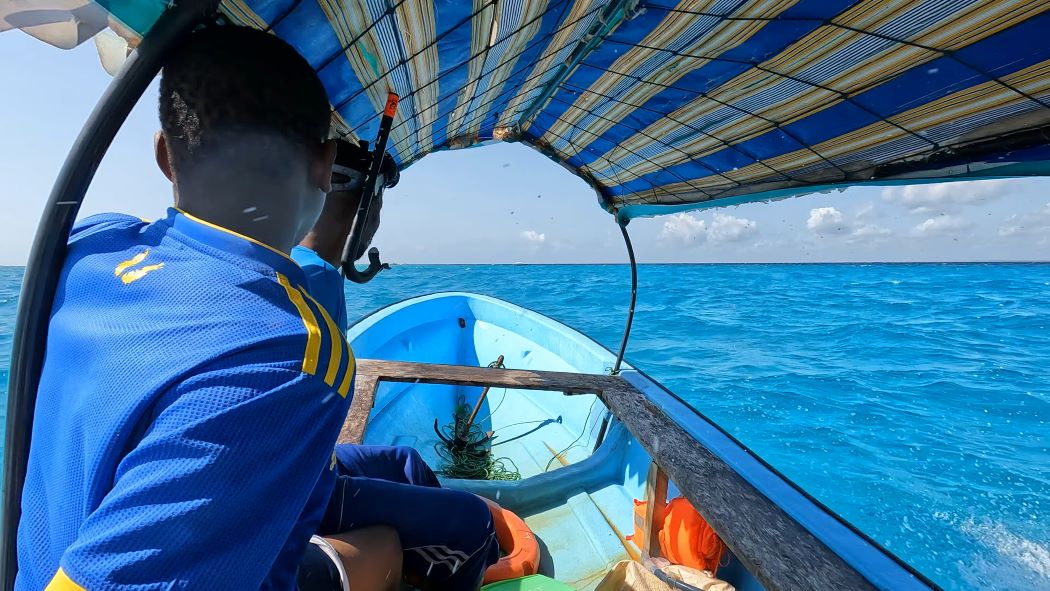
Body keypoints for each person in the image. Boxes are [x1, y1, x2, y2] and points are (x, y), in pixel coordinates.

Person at [15, 25, 401, 590]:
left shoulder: (87, 249)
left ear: (164, 157)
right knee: (393, 546)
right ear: (323, 165)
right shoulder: (291, 357)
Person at [294, 139, 500, 591]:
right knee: (473, 522)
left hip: (313, 467)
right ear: (367, 206)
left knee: (406, 461)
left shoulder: (296, 266)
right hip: (301, 491)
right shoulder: (317, 281)